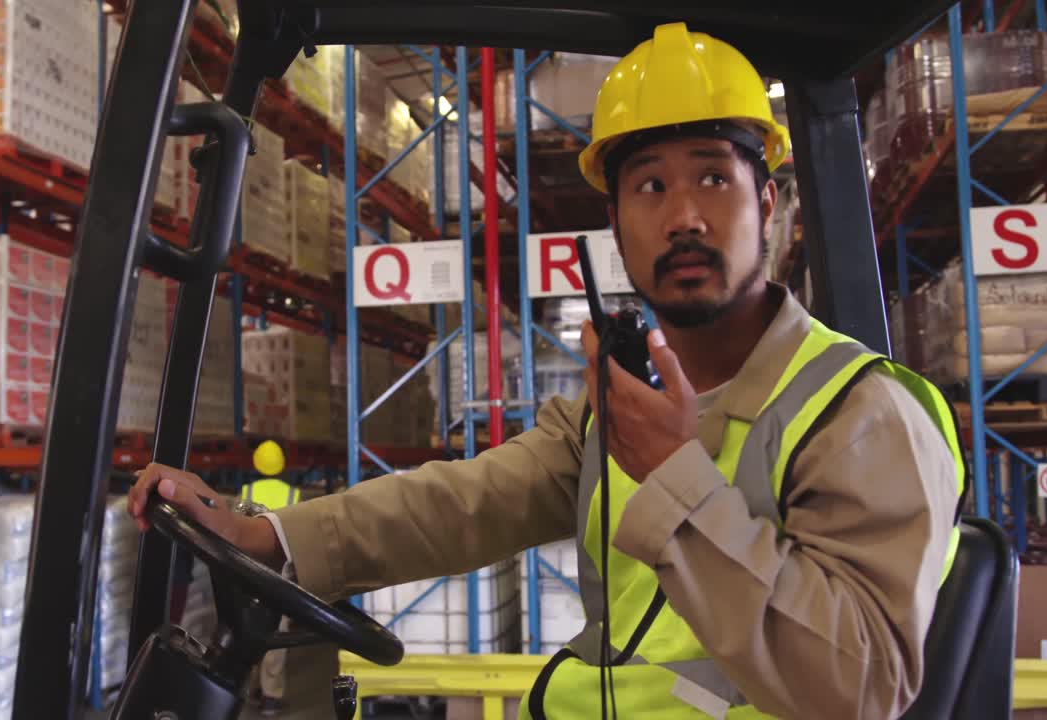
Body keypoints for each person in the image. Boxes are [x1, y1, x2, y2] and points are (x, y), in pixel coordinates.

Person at [130, 22, 966, 719]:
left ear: (768, 203)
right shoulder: (623, 402)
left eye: (715, 176)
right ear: (613, 221)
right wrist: (274, 535)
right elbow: (467, 501)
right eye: (649, 185)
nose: (683, 216)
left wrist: (678, 479)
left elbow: (864, 685)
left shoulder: (862, 414)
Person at [240, 440, 298, 717]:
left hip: (249, 571)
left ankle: (249, 686)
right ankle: (271, 695)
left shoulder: (246, 491)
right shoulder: (294, 495)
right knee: (277, 632)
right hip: (280, 575)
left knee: (249, 628)